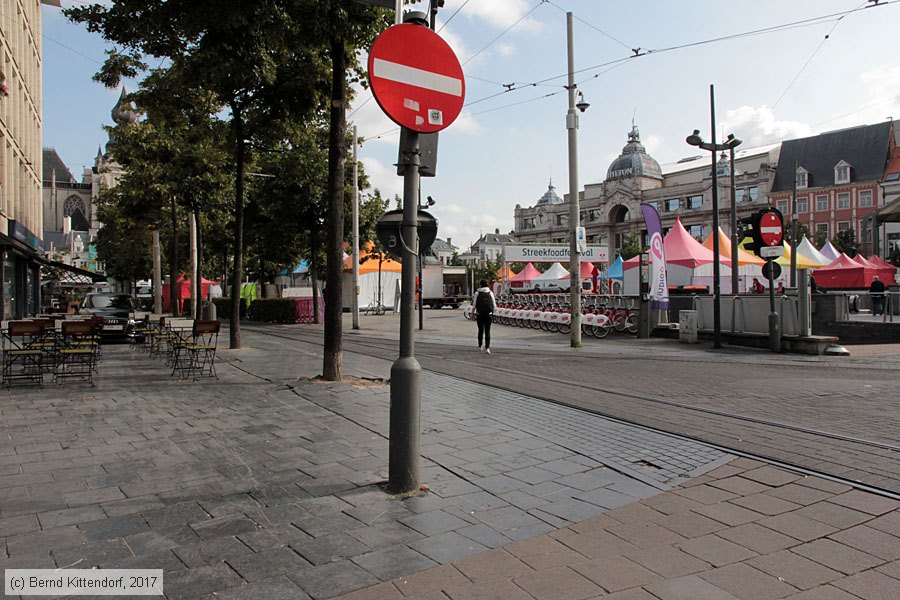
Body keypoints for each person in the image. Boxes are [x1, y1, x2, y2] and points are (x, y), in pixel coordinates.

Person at [473, 279, 496, 354]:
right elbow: (494, 305)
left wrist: (472, 313)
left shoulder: (477, 293)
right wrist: (492, 311)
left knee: (480, 330)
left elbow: (474, 304)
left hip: (479, 314)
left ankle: (480, 346)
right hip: (488, 314)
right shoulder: (490, 292)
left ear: (480, 284)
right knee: (487, 331)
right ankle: (487, 348)